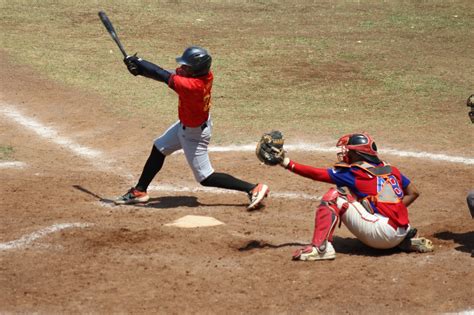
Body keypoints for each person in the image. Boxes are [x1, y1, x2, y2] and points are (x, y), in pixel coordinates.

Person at [114, 46, 269, 210]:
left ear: (195, 70)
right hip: (187, 125)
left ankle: (253, 188)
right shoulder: (204, 75)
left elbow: (162, 75)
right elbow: (164, 73)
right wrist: (140, 70)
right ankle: (140, 191)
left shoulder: (193, 86)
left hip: (194, 134)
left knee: (205, 177)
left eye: (186, 66)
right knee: (159, 147)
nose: (182, 68)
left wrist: (138, 61)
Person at [275, 132, 433, 261]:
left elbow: (318, 174)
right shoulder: (391, 169)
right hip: (403, 229)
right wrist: (393, 210)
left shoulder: (354, 172)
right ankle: (401, 242)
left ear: (358, 154)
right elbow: (414, 192)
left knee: (335, 196)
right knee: (369, 203)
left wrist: (287, 163)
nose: (346, 153)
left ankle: (321, 249)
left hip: (382, 235)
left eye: (349, 150)